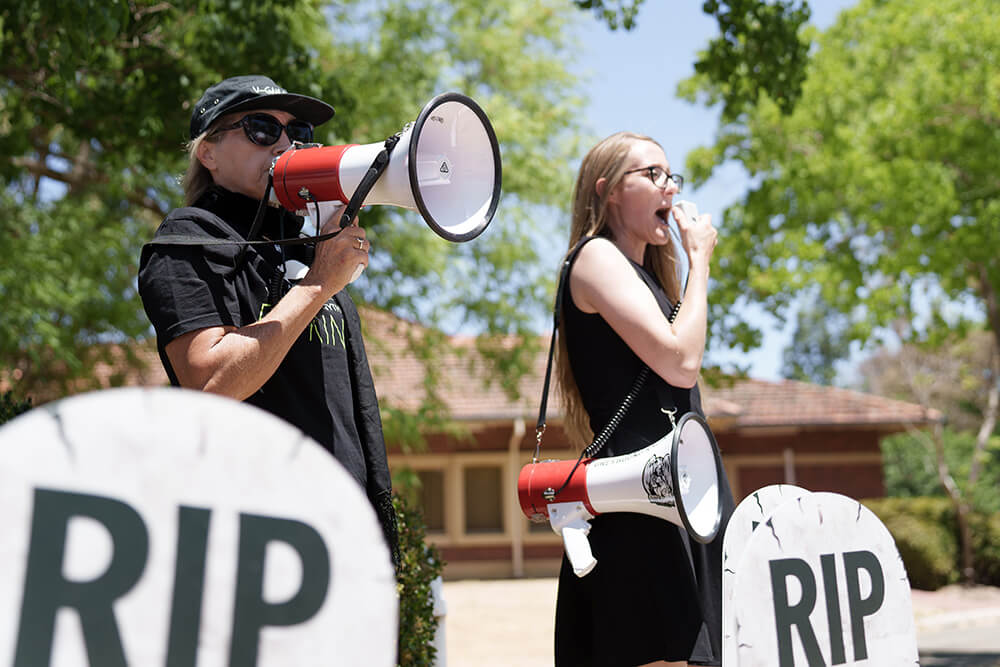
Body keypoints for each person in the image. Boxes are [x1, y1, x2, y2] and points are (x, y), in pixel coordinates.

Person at [137, 75, 398, 564]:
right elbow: (210, 381)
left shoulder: (304, 248)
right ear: (208, 153)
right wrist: (318, 285)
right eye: (261, 128)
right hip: (254, 540)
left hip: (340, 534)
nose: (285, 144)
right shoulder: (187, 240)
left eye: (298, 132)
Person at [552, 132, 734, 666]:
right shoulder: (595, 258)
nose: (669, 189)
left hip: (679, 493)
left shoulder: (649, 279)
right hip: (637, 499)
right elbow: (681, 362)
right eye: (652, 175)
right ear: (608, 191)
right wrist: (698, 262)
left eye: (671, 176)